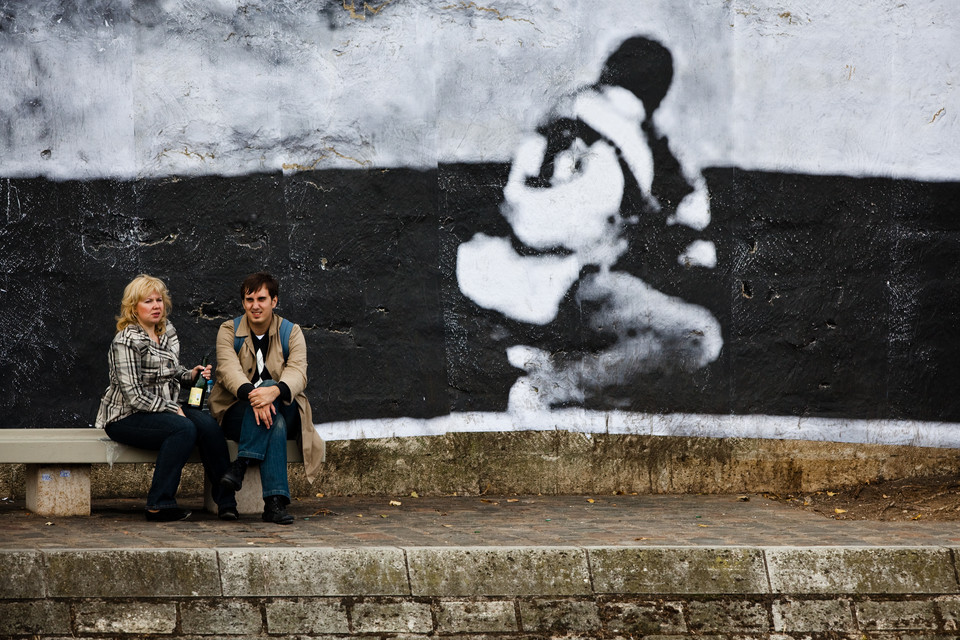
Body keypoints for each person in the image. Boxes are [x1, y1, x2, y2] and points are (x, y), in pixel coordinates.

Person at [95, 274, 238, 522]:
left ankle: (225, 502)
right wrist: (172, 408)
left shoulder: (167, 331)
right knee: (183, 429)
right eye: (148, 301)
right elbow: (134, 395)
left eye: (159, 300)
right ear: (133, 308)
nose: (156, 306)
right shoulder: (126, 341)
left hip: (163, 408)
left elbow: (171, 374)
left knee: (209, 427)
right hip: (126, 416)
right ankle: (159, 504)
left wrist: (191, 375)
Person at [209, 272, 324, 525]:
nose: (255, 305)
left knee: (273, 391)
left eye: (261, 299)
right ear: (243, 303)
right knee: (275, 424)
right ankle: (274, 504)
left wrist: (273, 391)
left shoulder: (291, 332)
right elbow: (228, 371)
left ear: (274, 301)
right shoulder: (228, 331)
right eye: (249, 299)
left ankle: (241, 462)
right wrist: (256, 396)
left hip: (286, 406)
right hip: (237, 411)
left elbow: (298, 372)